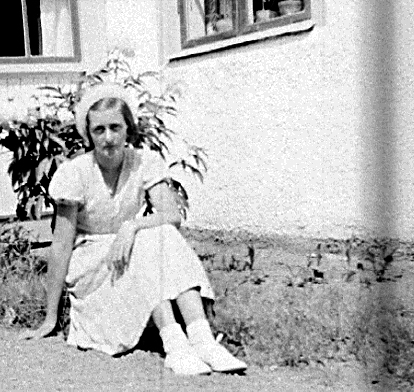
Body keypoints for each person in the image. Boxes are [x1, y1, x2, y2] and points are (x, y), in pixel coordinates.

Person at [20, 83, 246, 375]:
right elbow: (62, 245)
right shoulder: (74, 173)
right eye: (99, 130)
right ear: (88, 135)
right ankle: (175, 344)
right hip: (92, 266)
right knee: (146, 242)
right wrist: (50, 317)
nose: (109, 138)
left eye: (115, 127)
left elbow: (171, 215)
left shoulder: (144, 162)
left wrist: (132, 226)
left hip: (129, 248)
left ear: (128, 128)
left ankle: (202, 339)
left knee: (161, 234)